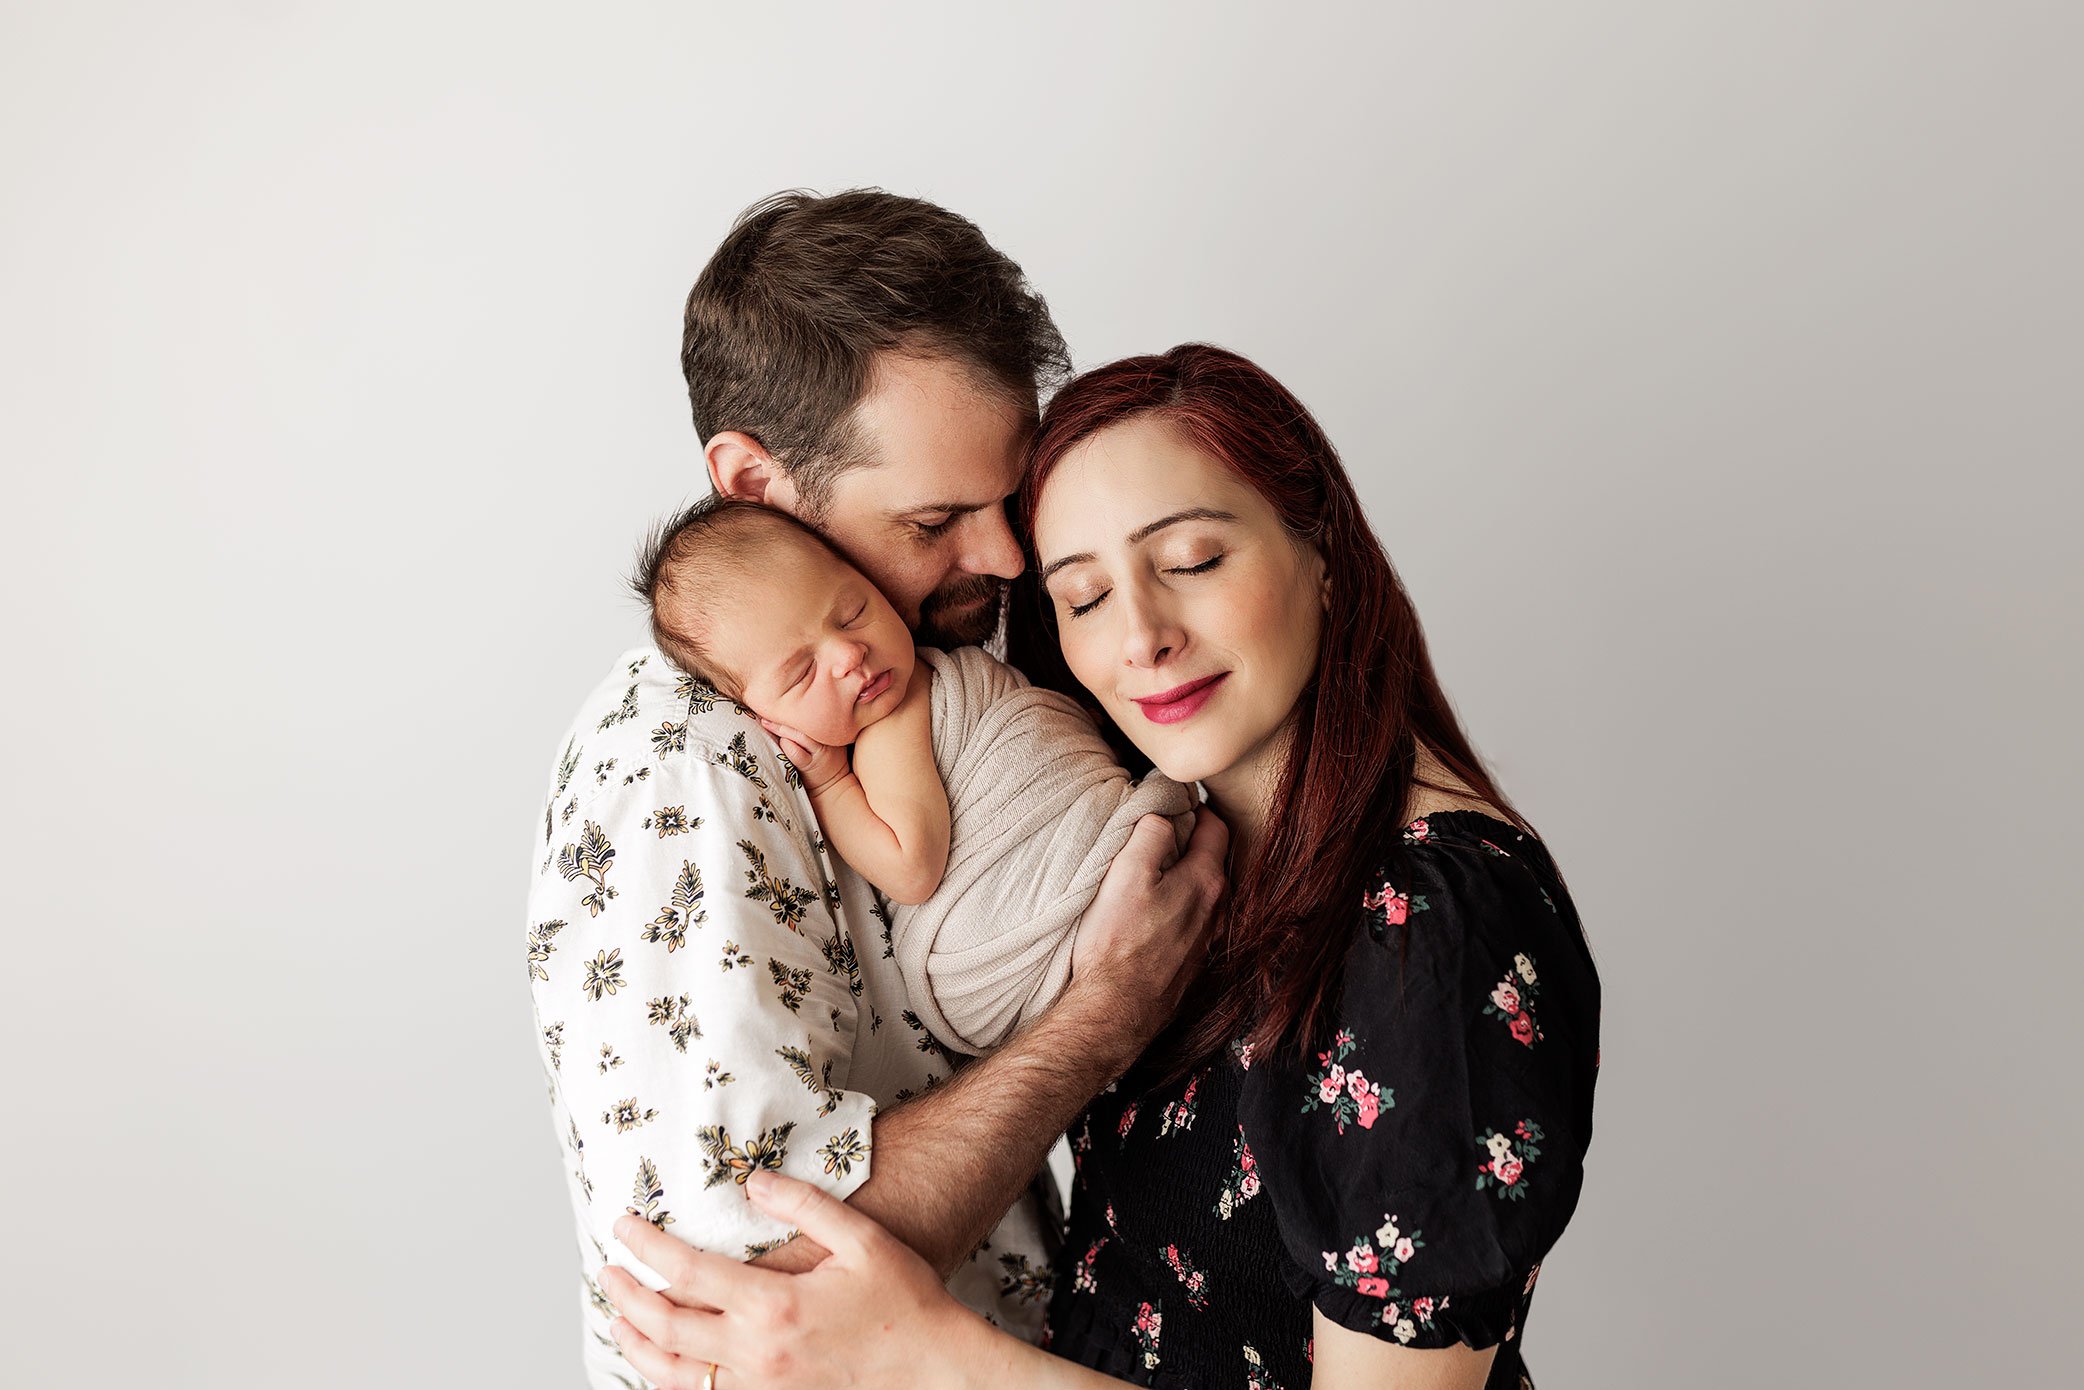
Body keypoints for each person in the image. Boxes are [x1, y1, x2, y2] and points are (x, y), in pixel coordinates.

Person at [595, 344, 1603, 1390]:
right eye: (1082, 597)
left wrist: (929, 1359)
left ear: (1322, 553)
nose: (1141, 638)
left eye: (1193, 562)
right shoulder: (1197, 868)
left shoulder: (1426, 923)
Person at [526, 193, 1227, 1388]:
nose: (1008, 558)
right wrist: (1100, 1014)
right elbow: (759, 1297)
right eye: (935, 519)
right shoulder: (684, 769)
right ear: (753, 483)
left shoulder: (907, 692)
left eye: (1006, 500)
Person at [635, 496, 1196, 1050]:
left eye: (853, 612)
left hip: (1053, 898)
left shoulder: (893, 718)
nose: (849, 654)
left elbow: (909, 869)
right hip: (1020, 937)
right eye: (803, 672)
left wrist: (830, 784)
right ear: (760, 716)